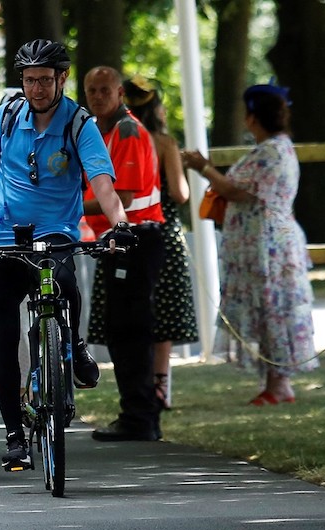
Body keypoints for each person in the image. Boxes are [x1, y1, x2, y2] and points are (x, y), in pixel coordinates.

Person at [0, 39, 129, 470]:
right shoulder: (7, 116)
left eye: (45, 80)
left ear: (62, 79)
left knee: (65, 282)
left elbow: (103, 184)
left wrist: (120, 224)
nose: (36, 88)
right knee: (2, 334)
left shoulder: (79, 124)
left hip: (53, 233)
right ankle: (15, 436)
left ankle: (72, 344)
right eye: (29, 80)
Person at [182, 81, 317, 404]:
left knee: (271, 308)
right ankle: (275, 381)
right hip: (264, 240)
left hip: (266, 244)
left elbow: (235, 191)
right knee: (268, 309)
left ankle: (279, 382)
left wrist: (203, 168)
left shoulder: (271, 151)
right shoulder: (277, 148)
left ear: (253, 117)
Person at [81, 65, 166, 442]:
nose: (97, 97)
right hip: (121, 240)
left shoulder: (127, 130)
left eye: (105, 90)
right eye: (91, 90)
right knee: (121, 329)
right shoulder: (102, 130)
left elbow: (125, 197)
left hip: (136, 238)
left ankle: (140, 416)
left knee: (129, 329)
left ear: (120, 94)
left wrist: (69, 208)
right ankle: (137, 413)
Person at [115, 74, 198, 410]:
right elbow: (180, 193)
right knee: (163, 309)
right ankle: (160, 384)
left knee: (132, 311)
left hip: (126, 228)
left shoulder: (121, 137)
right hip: (161, 228)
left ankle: (136, 384)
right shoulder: (164, 143)